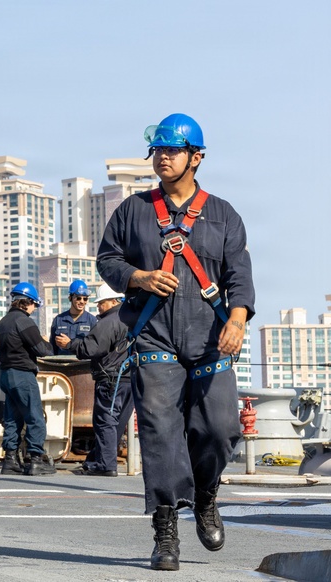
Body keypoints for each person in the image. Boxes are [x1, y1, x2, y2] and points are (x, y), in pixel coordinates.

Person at [97, 113, 253, 571]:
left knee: (220, 429)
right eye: (157, 151)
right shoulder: (133, 209)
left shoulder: (223, 214)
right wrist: (139, 276)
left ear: (196, 157)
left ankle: (205, 496)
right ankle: (165, 527)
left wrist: (239, 318)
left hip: (210, 337)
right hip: (155, 335)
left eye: (172, 150)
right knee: (161, 434)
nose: (162, 158)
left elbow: (238, 273)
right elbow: (108, 259)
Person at [0, 282, 55, 476]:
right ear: (27, 302)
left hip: (6, 374)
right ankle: (36, 460)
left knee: (12, 418)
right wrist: (47, 341)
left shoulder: (2, 322)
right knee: (35, 416)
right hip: (22, 374)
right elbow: (42, 350)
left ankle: (10, 460)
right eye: (35, 305)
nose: (35, 309)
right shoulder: (24, 321)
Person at [73, 283, 132, 477]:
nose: (98, 306)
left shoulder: (109, 322)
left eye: (101, 303)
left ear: (113, 301)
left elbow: (90, 348)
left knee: (105, 421)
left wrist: (72, 344)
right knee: (116, 423)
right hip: (130, 379)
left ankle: (105, 465)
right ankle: (95, 460)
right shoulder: (132, 318)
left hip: (111, 379)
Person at [49, 279, 98, 356]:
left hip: (83, 365)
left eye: (85, 298)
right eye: (78, 298)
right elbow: (52, 348)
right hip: (62, 365)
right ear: (70, 298)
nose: (82, 301)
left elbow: (93, 347)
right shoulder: (58, 320)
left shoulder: (92, 321)